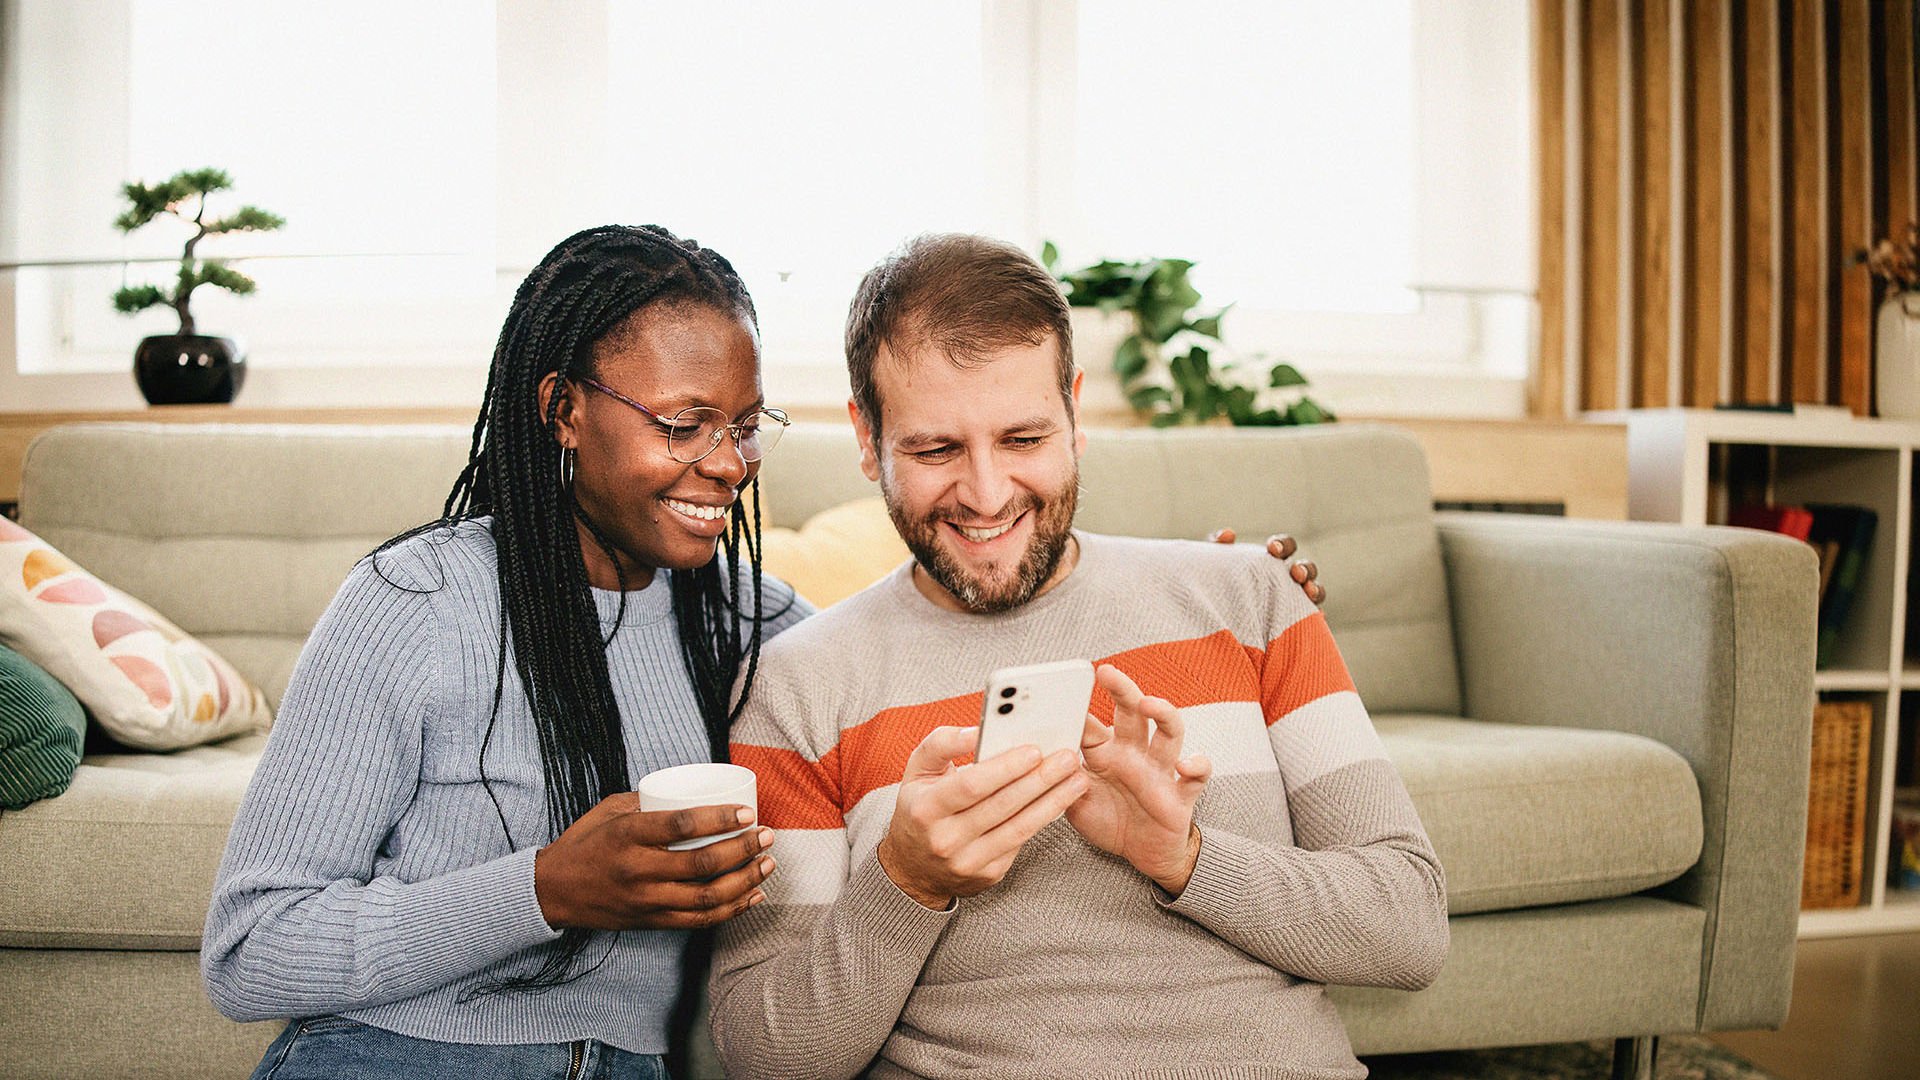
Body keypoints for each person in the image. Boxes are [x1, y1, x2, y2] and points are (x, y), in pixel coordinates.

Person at [202, 224, 1321, 1079]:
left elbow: (955, 644)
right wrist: (548, 887)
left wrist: (1205, 596)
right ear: (560, 410)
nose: (727, 466)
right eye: (682, 425)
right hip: (405, 1058)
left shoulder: (757, 631)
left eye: (743, 426)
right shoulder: (416, 601)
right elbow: (252, 950)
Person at [708, 233, 1449, 1080]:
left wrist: (1184, 857)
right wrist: (905, 884)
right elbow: (768, 1058)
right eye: (935, 450)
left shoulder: (1253, 599)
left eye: (1023, 439)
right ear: (867, 437)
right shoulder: (792, 687)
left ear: (1075, 412)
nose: (987, 496)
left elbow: (1410, 930)